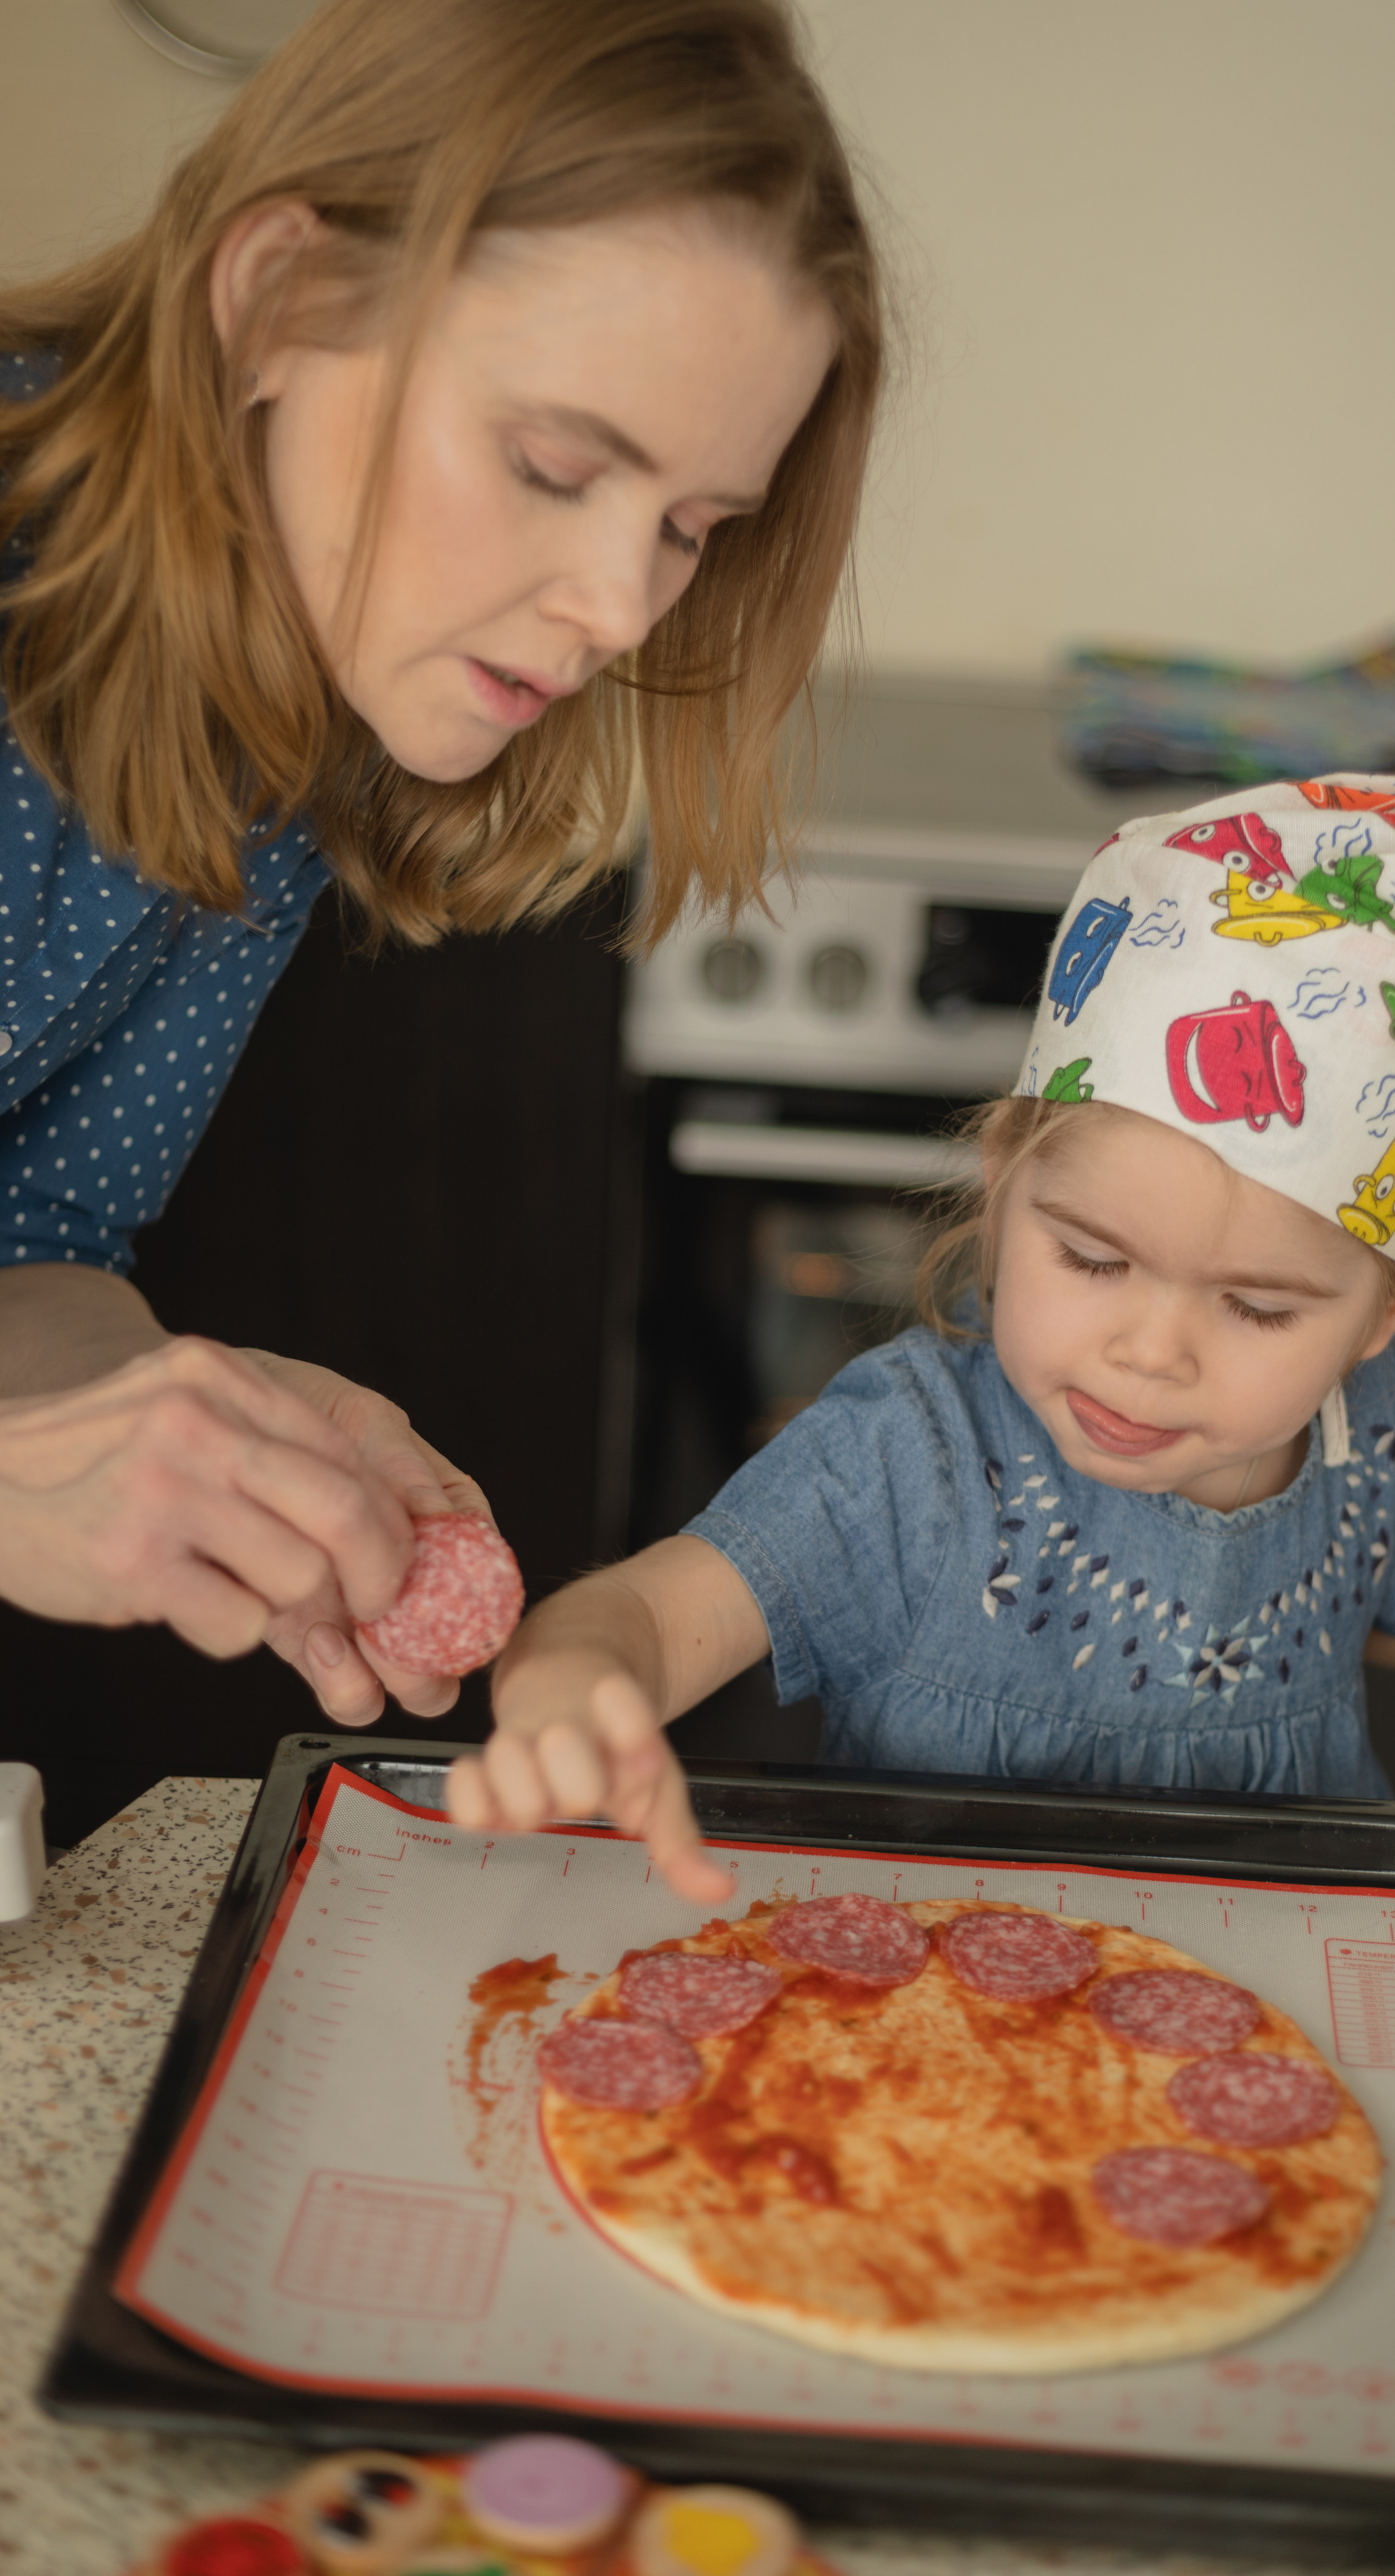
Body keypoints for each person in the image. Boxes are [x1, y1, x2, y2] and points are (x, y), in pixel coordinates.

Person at [0, 0, 882, 1724]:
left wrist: (182, 1417)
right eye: (556, 465)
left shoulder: (284, 706)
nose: (623, 609)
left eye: (692, 528)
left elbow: (31, 1232)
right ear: (275, 302)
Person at [450, 776, 1395, 1896]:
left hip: (1270, 2014)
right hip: (928, 2024)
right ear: (1003, 1189)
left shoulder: (1363, 1424)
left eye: (1258, 1307)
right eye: (1095, 1260)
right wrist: (576, 1692)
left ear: (1382, 1319)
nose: (1151, 1352)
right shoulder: (907, 1457)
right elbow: (646, 1617)